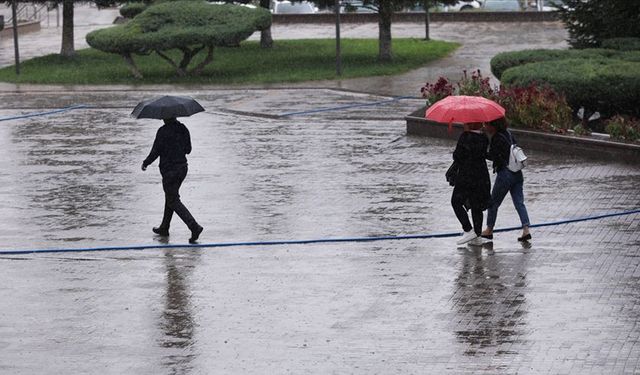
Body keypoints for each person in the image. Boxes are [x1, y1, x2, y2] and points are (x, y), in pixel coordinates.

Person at [142, 117, 203, 244]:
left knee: (173, 200)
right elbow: (188, 150)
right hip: (182, 169)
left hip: (169, 171)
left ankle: (194, 226)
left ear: (165, 118)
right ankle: (164, 227)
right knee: (170, 197)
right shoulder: (183, 128)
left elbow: (155, 151)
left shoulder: (162, 131)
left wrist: (146, 163)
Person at [481, 118, 531, 242]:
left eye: (486, 124)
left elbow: (494, 156)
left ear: (493, 125)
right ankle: (526, 229)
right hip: (517, 174)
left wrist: (482, 153)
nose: (485, 126)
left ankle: (489, 230)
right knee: (519, 202)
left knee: (493, 203)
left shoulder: (497, 138)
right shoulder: (509, 134)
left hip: (505, 174)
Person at [451, 122, 491, 245]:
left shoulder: (465, 137)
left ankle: (468, 229)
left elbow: (457, 156)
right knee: (476, 205)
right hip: (481, 175)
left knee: (456, 201)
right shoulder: (484, 137)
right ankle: (477, 234)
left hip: (466, 176)